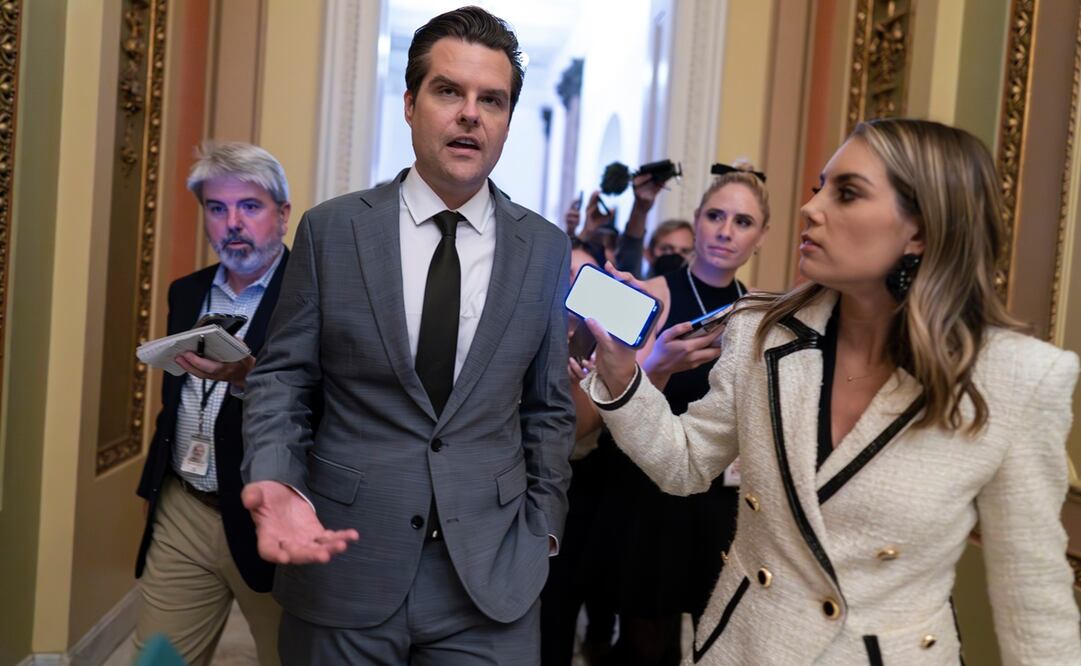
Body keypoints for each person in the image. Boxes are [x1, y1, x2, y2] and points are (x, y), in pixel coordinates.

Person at [583, 118, 1081, 664]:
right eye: (821, 187)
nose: (810, 208)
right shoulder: (761, 330)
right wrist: (624, 372)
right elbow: (684, 463)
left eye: (847, 193)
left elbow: (1034, 604)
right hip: (747, 647)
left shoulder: (1020, 378)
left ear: (920, 230)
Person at [240, 7, 575, 665]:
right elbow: (283, 377)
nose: (469, 113)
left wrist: (544, 532)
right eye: (448, 91)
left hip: (490, 580)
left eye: (492, 99)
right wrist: (276, 476)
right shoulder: (331, 232)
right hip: (344, 562)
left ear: (507, 119)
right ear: (410, 104)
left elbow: (548, 410)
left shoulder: (543, 247)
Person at [586, 164, 768, 665]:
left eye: (743, 221)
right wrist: (657, 366)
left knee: (713, 631)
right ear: (697, 221)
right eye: (715, 215)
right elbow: (605, 402)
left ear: (761, 236)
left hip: (715, 496)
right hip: (644, 486)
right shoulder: (652, 294)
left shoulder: (757, 315)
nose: (726, 231)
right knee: (646, 638)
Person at [134, 142, 291, 665]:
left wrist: (248, 378)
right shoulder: (186, 291)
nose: (232, 224)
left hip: (271, 516)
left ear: (283, 215)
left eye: (250, 206)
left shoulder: (311, 296)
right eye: (217, 208)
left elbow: (327, 407)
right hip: (185, 505)